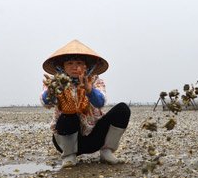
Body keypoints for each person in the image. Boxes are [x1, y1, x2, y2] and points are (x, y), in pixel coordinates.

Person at [40, 39, 131, 167]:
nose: (74, 66)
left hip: (93, 138)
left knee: (122, 109)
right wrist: (52, 90)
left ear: (86, 66)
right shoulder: (56, 82)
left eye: (79, 63)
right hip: (65, 139)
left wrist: (89, 90)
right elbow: (46, 103)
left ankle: (106, 151)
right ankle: (69, 156)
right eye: (70, 63)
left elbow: (100, 102)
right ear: (63, 66)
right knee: (69, 114)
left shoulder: (94, 80)